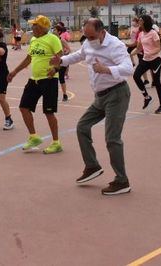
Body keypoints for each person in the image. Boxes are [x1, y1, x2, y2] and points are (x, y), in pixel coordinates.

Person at [52, 18, 134, 195]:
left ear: (101, 31)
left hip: (117, 94)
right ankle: (92, 166)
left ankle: (122, 181)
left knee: (112, 138)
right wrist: (61, 61)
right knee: (82, 127)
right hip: (100, 96)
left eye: (91, 36)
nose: (89, 40)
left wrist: (107, 70)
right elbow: (79, 55)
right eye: (86, 36)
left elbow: (129, 68)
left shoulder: (115, 45)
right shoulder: (88, 44)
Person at [7, 15, 63, 154]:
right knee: (24, 107)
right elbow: (29, 59)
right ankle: (34, 137)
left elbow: (61, 57)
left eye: (35, 25)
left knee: (48, 112)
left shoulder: (53, 39)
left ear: (43, 27)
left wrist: (55, 68)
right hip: (34, 79)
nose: (32, 28)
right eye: (32, 25)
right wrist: (14, 72)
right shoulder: (33, 40)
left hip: (49, 80)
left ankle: (56, 143)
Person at [132, 15, 161, 113]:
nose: (139, 21)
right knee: (136, 76)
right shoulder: (141, 34)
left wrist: (149, 53)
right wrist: (129, 54)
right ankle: (147, 97)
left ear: (145, 22)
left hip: (155, 60)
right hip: (145, 60)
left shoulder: (153, 33)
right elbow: (138, 48)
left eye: (141, 20)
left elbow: (158, 47)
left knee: (157, 82)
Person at [55, 24, 71, 102]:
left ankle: (65, 94)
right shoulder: (53, 40)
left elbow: (68, 49)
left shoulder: (62, 40)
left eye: (55, 30)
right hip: (55, 61)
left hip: (62, 61)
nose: (53, 31)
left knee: (61, 78)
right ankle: (53, 94)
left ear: (59, 31)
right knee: (53, 78)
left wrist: (64, 54)